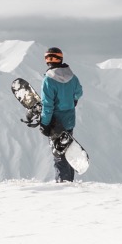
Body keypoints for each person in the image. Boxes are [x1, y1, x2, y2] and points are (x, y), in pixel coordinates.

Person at [40, 46, 83, 182]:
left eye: (51, 57)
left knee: (59, 155)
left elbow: (47, 105)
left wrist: (44, 123)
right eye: (49, 57)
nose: (50, 60)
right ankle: (69, 182)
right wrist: (73, 100)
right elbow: (79, 92)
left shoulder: (48, 80)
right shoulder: (72, 77)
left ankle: (63, 185)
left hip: (55, 122)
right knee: (68, 151)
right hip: (69, 120)